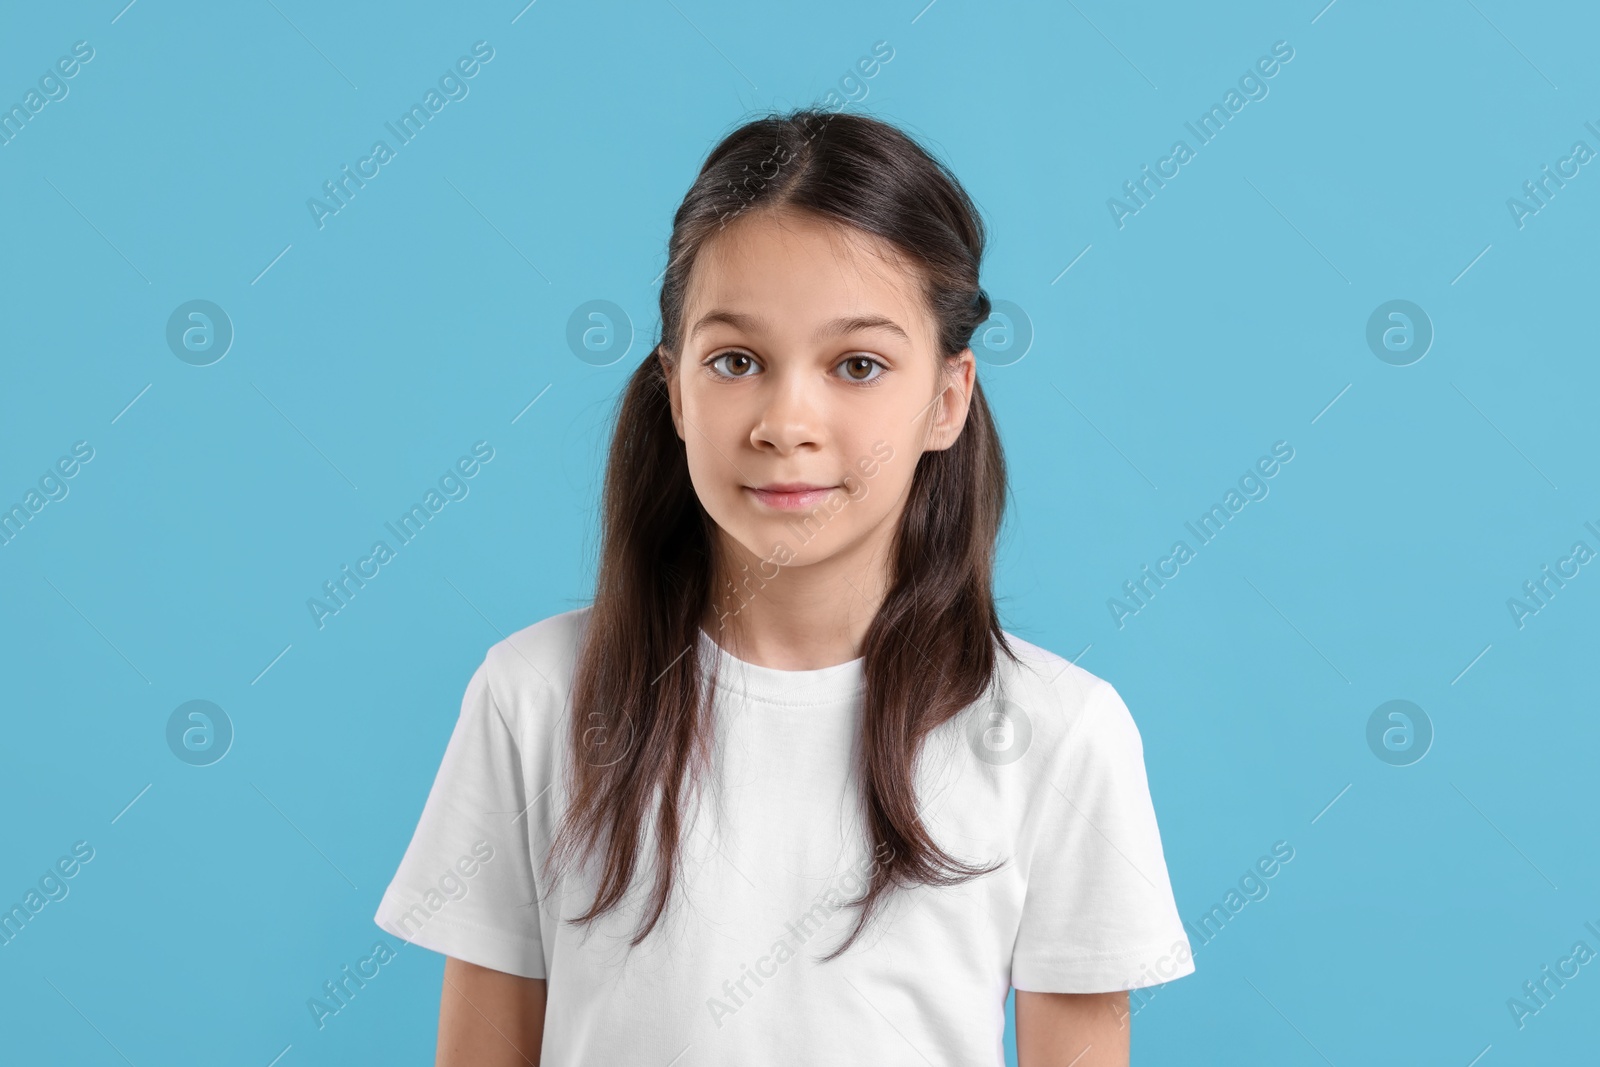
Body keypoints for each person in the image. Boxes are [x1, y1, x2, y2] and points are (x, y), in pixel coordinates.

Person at [374, 106, 1193, 1066]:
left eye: (858, 364)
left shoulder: (1061, 734)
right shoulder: (536, 695)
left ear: (947, 398)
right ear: (676, 390)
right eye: (736, 361)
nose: (786, 420)